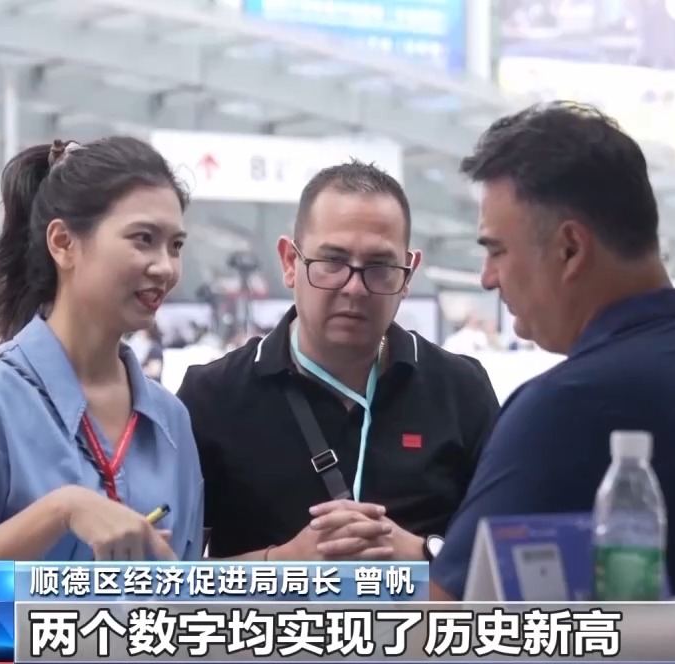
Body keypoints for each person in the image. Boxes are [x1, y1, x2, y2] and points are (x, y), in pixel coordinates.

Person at [430, 102, 675, 600]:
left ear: (570, 248)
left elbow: (442, 618)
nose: (487, 278)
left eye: (497, 250)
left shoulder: (566, 404)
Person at [0, 137, 204, 562]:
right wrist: (62, 511)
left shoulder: (170, 422)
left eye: (176, 246)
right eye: (143, 238)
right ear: (62, 243)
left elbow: (184, 579)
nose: (165, 267)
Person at [176, 160, 500, 562]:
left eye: (380, 267)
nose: (354, 288)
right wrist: (281, 565)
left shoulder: (460, 390)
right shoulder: (213, 396)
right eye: (332, 262)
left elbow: (509, 552)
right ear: (290, 262)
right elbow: (172, 577)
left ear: (408, 273)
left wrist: (424, 553)